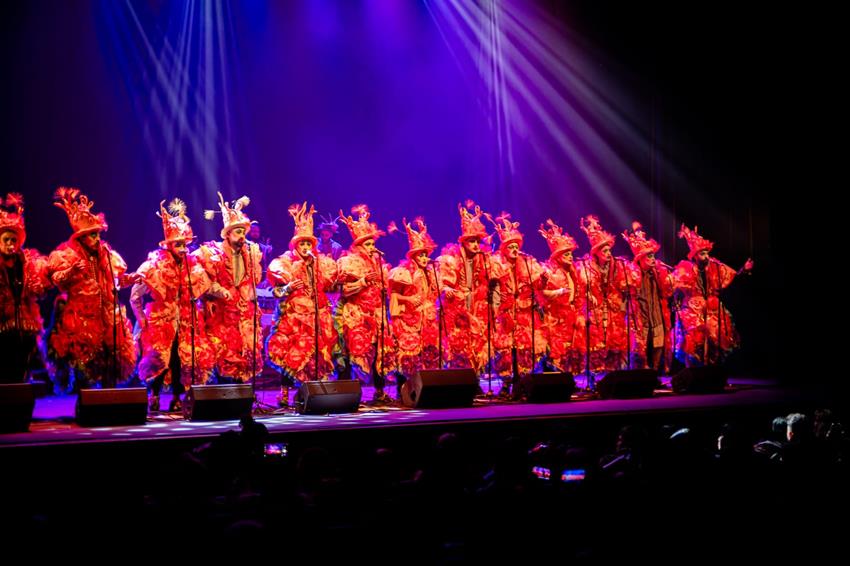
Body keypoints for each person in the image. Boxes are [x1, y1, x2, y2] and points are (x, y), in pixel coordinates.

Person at [130, 199, 215, 412]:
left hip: (185, 319)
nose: (183, 249)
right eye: (178, 245)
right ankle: (154, 394)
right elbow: (134, 296)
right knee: (159, 359)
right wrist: (141, 319)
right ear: (168, 246)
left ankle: (178, 396)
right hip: (161, 321)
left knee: (181, 359)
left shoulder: (192, 267)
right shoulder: (153, 267)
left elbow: (203, 288)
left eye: (185, 245)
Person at [48, 187, 137, 389]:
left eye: (98, 234)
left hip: (107, 316)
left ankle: (108, 399)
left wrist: (130, 279)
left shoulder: (107, 256)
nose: (97, 239)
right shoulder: (68, 256)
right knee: (86, 367)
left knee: (109, 363)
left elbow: (116, 281)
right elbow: (56, 279)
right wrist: (71, 270)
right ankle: (86, 400)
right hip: (82, 318)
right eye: (92, 235)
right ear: (81, 238)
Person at [266, 202, 338, 407]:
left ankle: (311, 392)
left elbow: (330, 286)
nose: (306, 248)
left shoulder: (320, 263)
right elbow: (276, 292)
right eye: (302, 244)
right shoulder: (284, 263)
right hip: (294, 317)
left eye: (309, 244)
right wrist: (288, 288)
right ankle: (284, 393)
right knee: (292, 354)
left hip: (317, 315)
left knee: (316, 355)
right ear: (295, 246)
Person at [195, 192, 264, 383]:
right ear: (227, 234)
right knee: (223, 352)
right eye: (238, 232)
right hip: (221, 313)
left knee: (244, 351)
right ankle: (224, 390)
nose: (242, 236)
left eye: (243, 232)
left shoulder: (250, 254)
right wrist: (219, 290)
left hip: (243, 312)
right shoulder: (212, 253)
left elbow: (253, 280)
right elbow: (202, 278)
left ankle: (241, 391)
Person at [335, 205, 395, 404]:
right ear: (359, 246)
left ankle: (380, 391)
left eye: (372, 243)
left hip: (376, 314)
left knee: (379, 351)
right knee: (355, 351)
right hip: (356, 313)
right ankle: (349, 394)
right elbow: (344, 291)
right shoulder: (349, 262)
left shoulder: (379, 264)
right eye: (367, 244)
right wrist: (362, 281)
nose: (371, 247)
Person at [673, 224, 753, 366]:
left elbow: (730, 275)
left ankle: (711, 367)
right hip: (692, 308)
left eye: (707, 253)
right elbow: (674, 285)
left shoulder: (714, 267)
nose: (706, 257)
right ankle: (691, 369)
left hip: (711, 308)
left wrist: (744, 270)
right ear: (695, 256)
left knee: (715, 334)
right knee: (693, 338)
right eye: (702, 254)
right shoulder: (686, 268)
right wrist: (677, 302)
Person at [486, 213, 546, 398]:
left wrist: (543, 280)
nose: (514, 249)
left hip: (524, 313)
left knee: (525, 349)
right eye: (510, 246)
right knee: (505, 351)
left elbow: (538, 286)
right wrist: (496, 311)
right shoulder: (496, 264)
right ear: (504, 249)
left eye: (516, 246)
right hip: (505, 313)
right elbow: (493, 290)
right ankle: (506, 385)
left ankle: (523, 384)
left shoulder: (528, 264)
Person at [436, 202, 494, 376]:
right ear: (464, 242)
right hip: (457, 305)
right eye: (472, 241)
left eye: (478, 241)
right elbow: (442, 280)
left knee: (478, 340)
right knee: (459, 341)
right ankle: (460, 376)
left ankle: (475, 377)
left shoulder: (482, 258)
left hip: (476, 303)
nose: (476, 245)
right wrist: (447, 288)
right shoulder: (451, 258)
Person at [0, 193, 50, 383]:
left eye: (13, 241)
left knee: (22, 366)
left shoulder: (26, 263)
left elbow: (38, 290)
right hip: (2, 324)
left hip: (24, 324)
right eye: (6, 240)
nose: (10, 244)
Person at [573, 215, 632, 374]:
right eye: (605, 251)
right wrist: (590, 296)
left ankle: (613, 373)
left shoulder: (617, 266)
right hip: (595, 310)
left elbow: (623, 287)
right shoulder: (586, 267)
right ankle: (595, 373)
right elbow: (582, 288)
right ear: (597, 252)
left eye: (609, 250)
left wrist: (621, 303)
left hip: (613, 309)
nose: (608, 253)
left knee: (614, 341)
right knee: (596, 341)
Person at [388, 218, 440, 390]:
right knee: (408, 353)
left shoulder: (430, 273)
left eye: (425, 255)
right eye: (420, 255)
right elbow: (394, 295)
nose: (424, 258)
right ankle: (403, 389)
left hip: (426, 319)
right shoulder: (404, 273)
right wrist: (408, 299)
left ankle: (423, 388)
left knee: (426, 353)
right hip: (409, 319)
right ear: (413, 256)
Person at [621, 222, 674, 372]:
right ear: (641, 258)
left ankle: (655, 370)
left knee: (659, 341)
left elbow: (667, 291)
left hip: (656, 312)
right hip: (640, 314)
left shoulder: (657, 273)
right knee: (639, 345)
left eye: (653, 256)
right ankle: (640, 371)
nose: (653, 259)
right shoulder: (632, 273)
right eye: (649, 256)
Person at [538, 219, 580, 374]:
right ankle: (554, 376)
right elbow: (541, 293)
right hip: (554, 317)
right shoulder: (549, 272)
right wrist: (559, 292)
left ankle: (567, 376)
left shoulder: (574, 272)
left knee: (570, 349)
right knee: (556, 349)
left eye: (571, 254)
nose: (571, 257)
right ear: (558, 256)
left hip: (571, 314)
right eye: (566, 254)